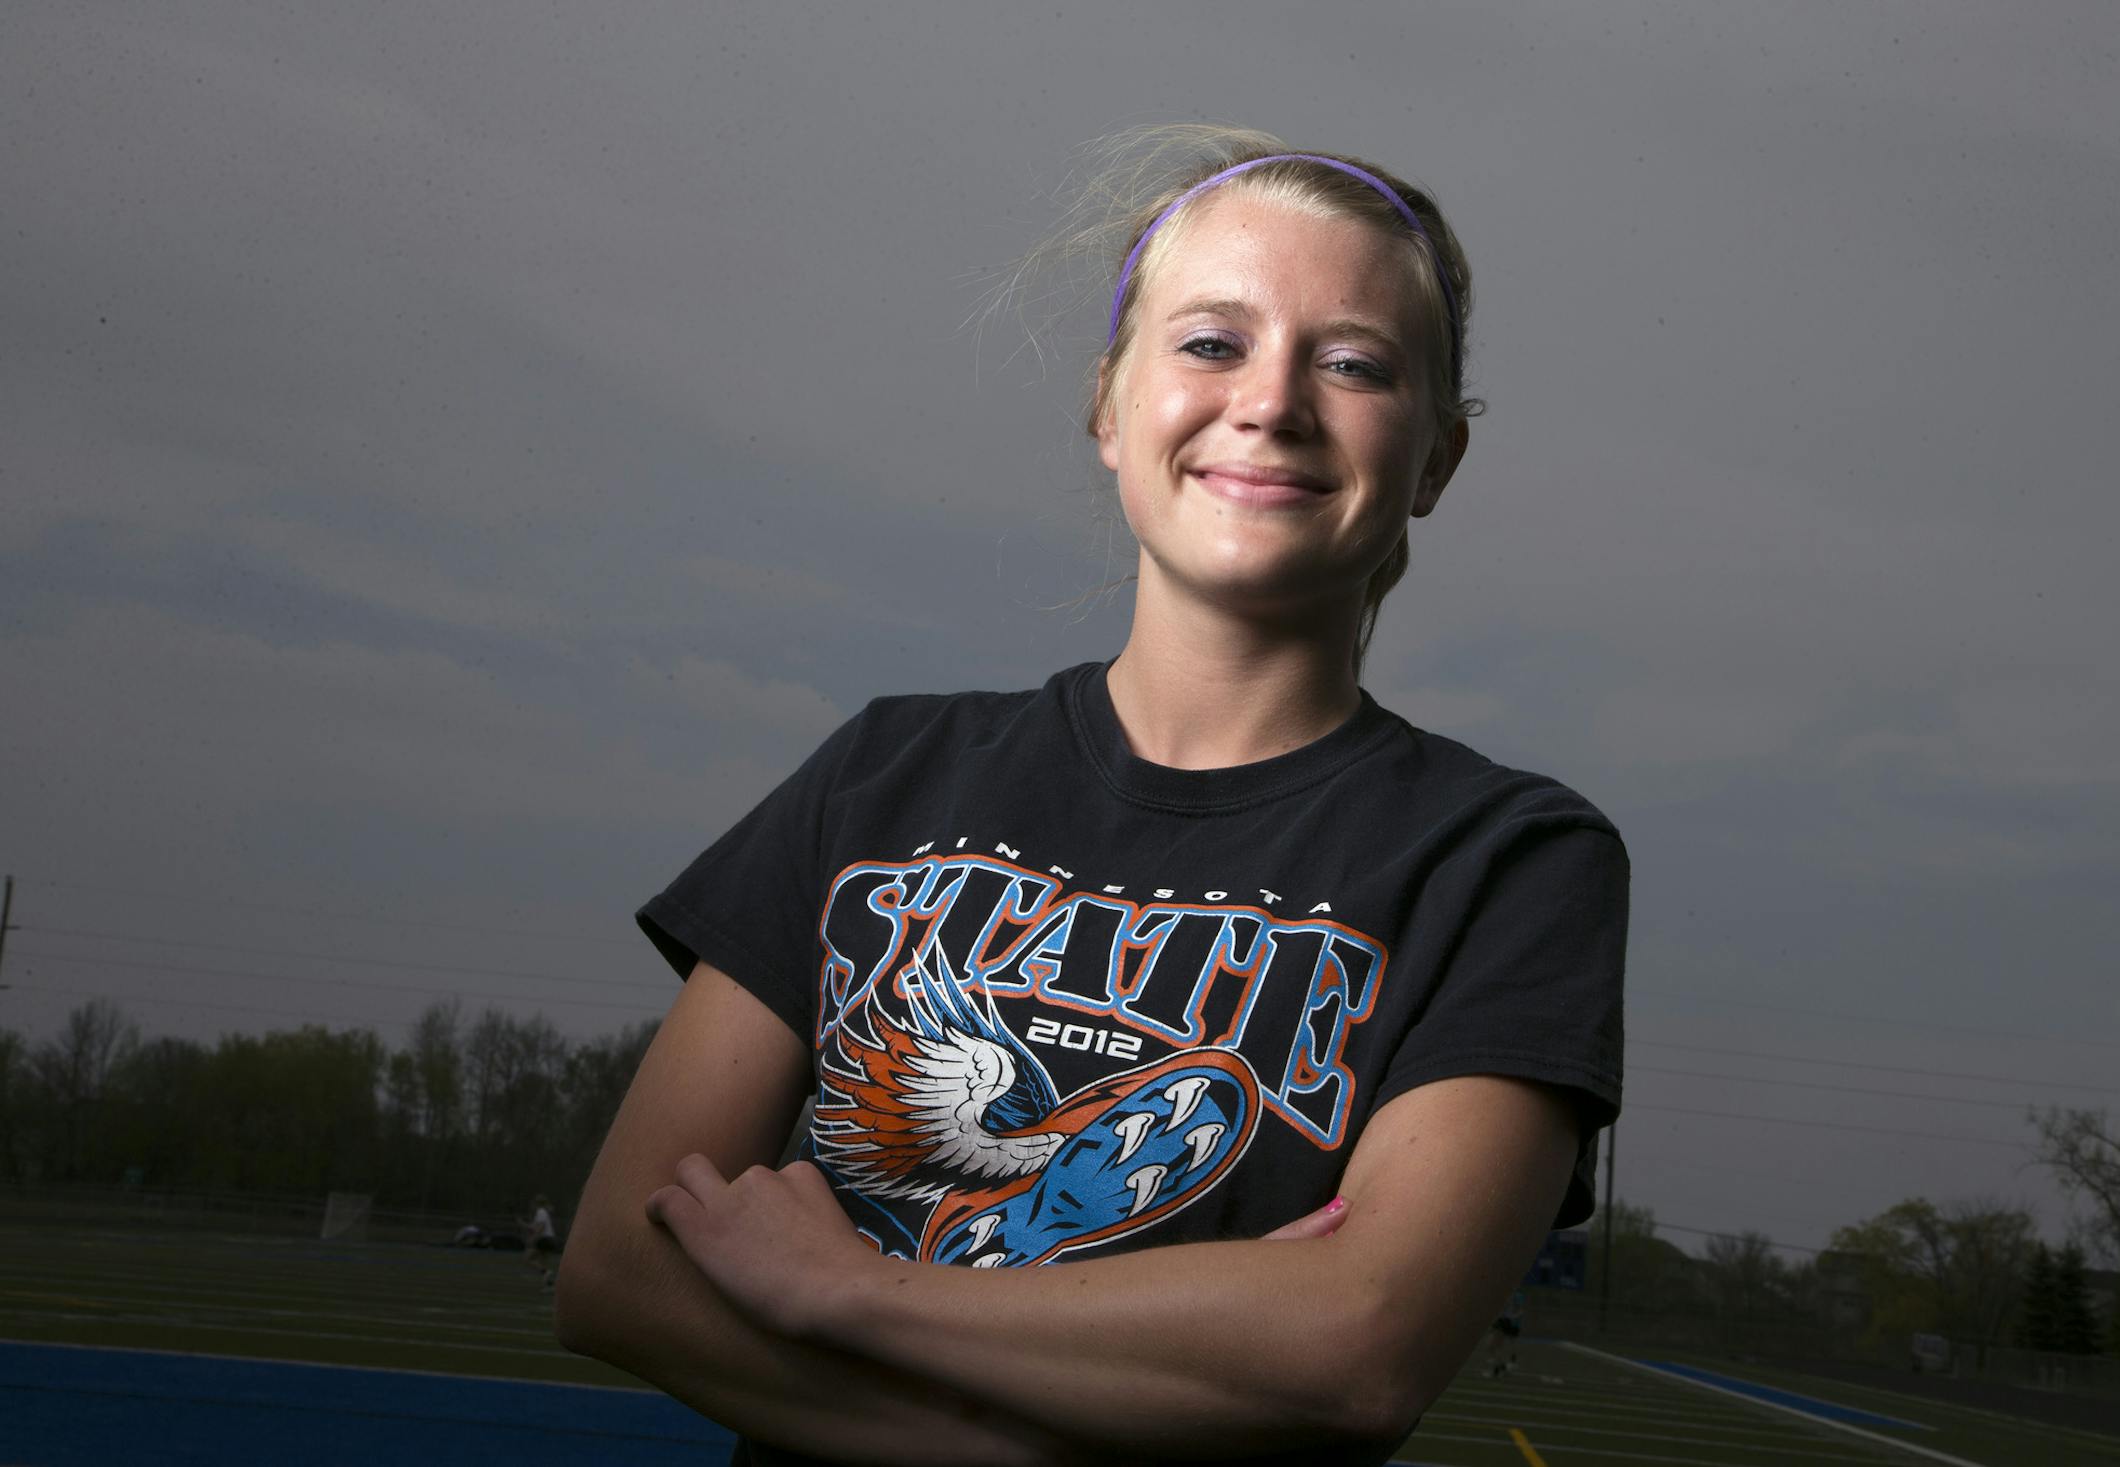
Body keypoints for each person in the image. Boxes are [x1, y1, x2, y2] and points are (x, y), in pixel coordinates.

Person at [555, 125, 1627, 1467]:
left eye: (1352, 363)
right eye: (1211, 342)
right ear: (1110, 407)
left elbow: (1358, 1342)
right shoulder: (881, 774)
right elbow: (617, 1270)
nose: (1272, 399)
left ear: (1435, 461)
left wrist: (845, 1286)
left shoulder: (1512, 858)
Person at [524, 1194, 559, 1288]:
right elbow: (534, 1227)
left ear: (537, 1203)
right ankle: (549, 1285)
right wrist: (523, 1224)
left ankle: (546, 1272)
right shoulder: (542, 1212)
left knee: (528, 1258)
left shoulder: (541, 1212)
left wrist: (532, 1239)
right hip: (549, 1239)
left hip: (545, 1239)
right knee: (543, 1263)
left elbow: (540, 1228)